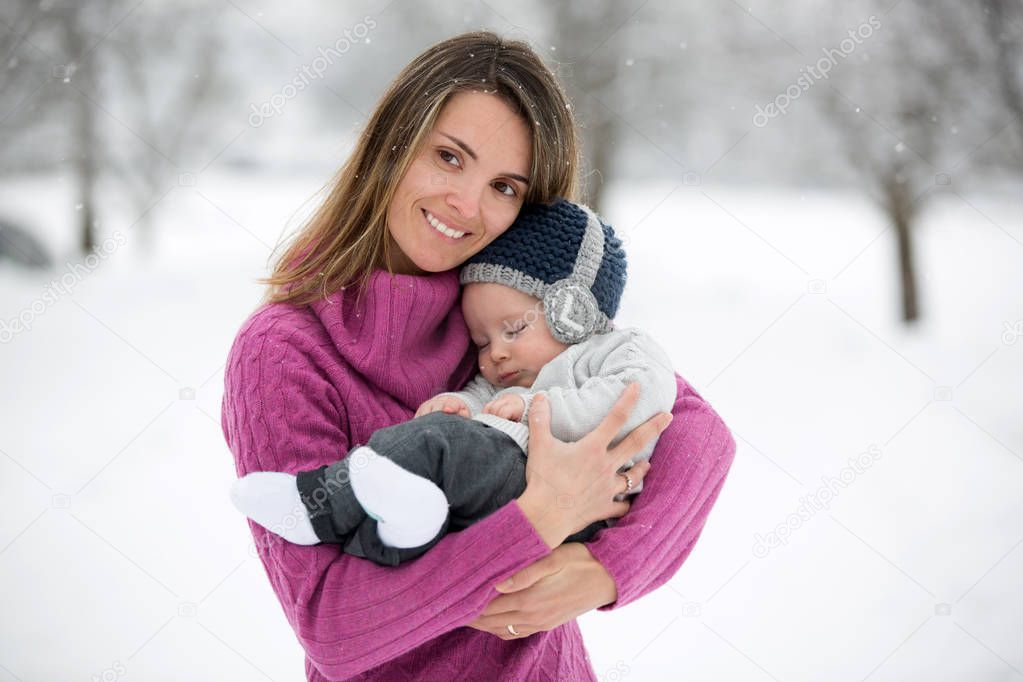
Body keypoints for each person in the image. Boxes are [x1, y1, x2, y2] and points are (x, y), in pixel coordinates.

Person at [221, 30, 736, 681]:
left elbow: (695, 428)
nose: (467, 205)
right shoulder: (283, 350)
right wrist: (541, 517)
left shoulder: (503, 315)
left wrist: (608, 567)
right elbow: (331, 627)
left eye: (505, 187)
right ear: (391, 147)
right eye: (447, 156)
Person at [228, 198, 679, 566]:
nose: (495, 353)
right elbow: (482, 397)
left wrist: (536, 409)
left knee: (436, 445)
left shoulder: (619, 351)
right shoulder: (512, 375)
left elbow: (638, 399)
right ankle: (406, 530)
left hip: (563, 490)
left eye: (514, 329)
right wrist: (457, 403)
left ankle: (315, 507)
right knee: (433, 453)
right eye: (480, 341)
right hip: (512, 490)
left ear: (573, 314)